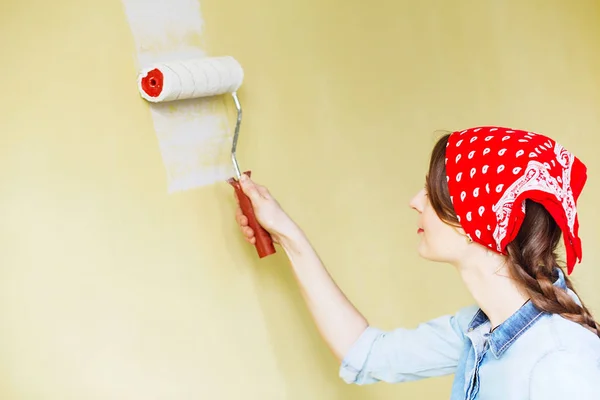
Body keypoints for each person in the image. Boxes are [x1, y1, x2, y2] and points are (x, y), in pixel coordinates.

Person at [233, 126, 600, 399]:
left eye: (432, 192)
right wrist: (286, 234)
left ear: (476, 223)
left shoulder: (558, 363)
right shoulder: (481, 330)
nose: (415, 201)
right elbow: (367, 354)